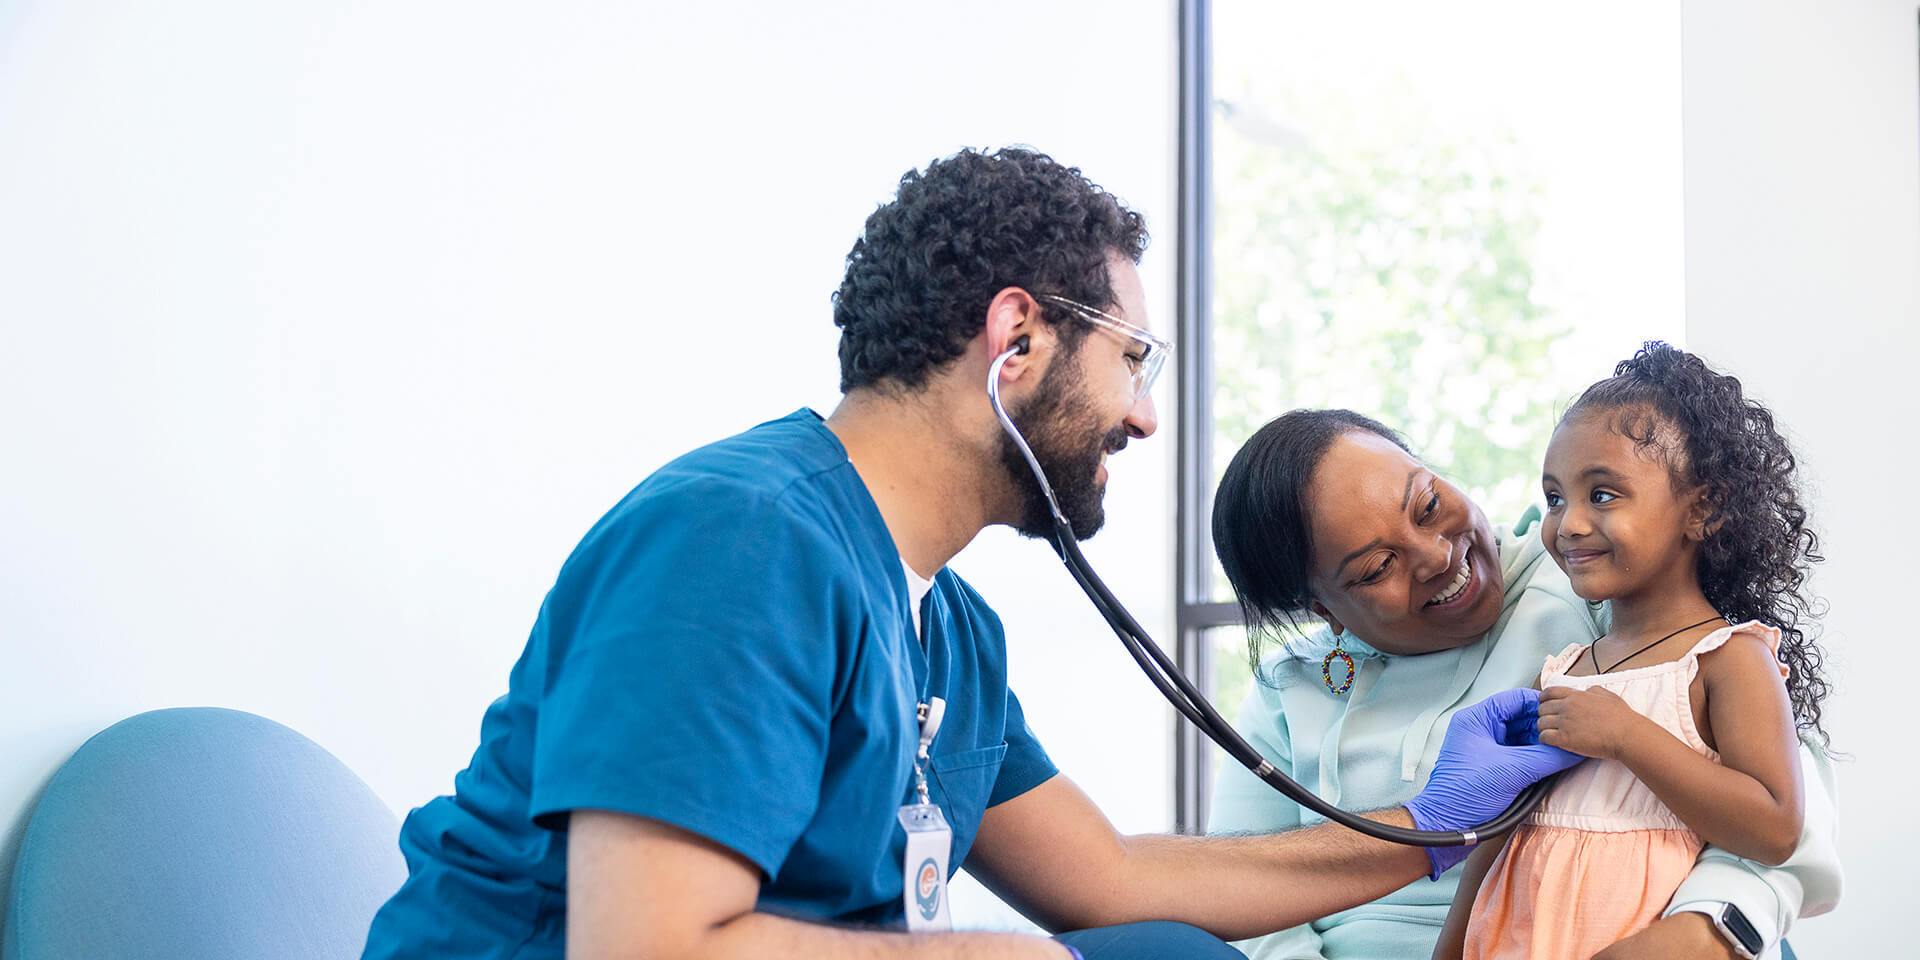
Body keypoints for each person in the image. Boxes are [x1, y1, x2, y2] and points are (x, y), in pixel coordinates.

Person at [357, 147, 1578, 960]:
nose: (1145, 417)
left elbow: (1106, 881)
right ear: (1018, 341)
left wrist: (1425, 826)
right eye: (1133, 361)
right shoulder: (743, 541)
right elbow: (651, 944)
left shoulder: (949, 629)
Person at [1208, 407, 1840, 960]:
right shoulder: (1285, 691)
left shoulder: (1589, 584)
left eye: (1428, 505)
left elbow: (1781, 798)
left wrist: (1711, 927)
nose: (1436, 555)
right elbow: (1246, 900)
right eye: (1378, 568)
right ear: (1323, 610)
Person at [1432, 344, 1832, 960]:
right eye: (1556, 497)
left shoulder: (1728, 660)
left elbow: (1777, 828)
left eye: (1603, 495)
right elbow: (1500, 836)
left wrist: (1628, 736)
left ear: (1704, 509)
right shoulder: (1565, 669)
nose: (1567, 525)